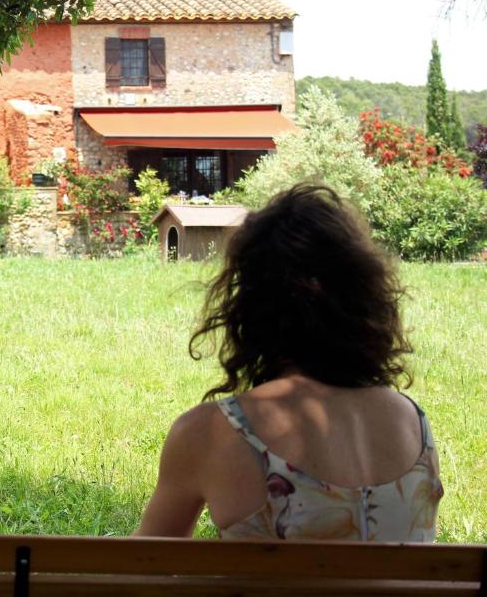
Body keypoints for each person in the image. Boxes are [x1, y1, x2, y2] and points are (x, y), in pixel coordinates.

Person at [135, 184, 443, 541]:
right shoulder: (411, 422)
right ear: (365, 301)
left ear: (247, 308)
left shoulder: (211, 432)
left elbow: (143, 567)